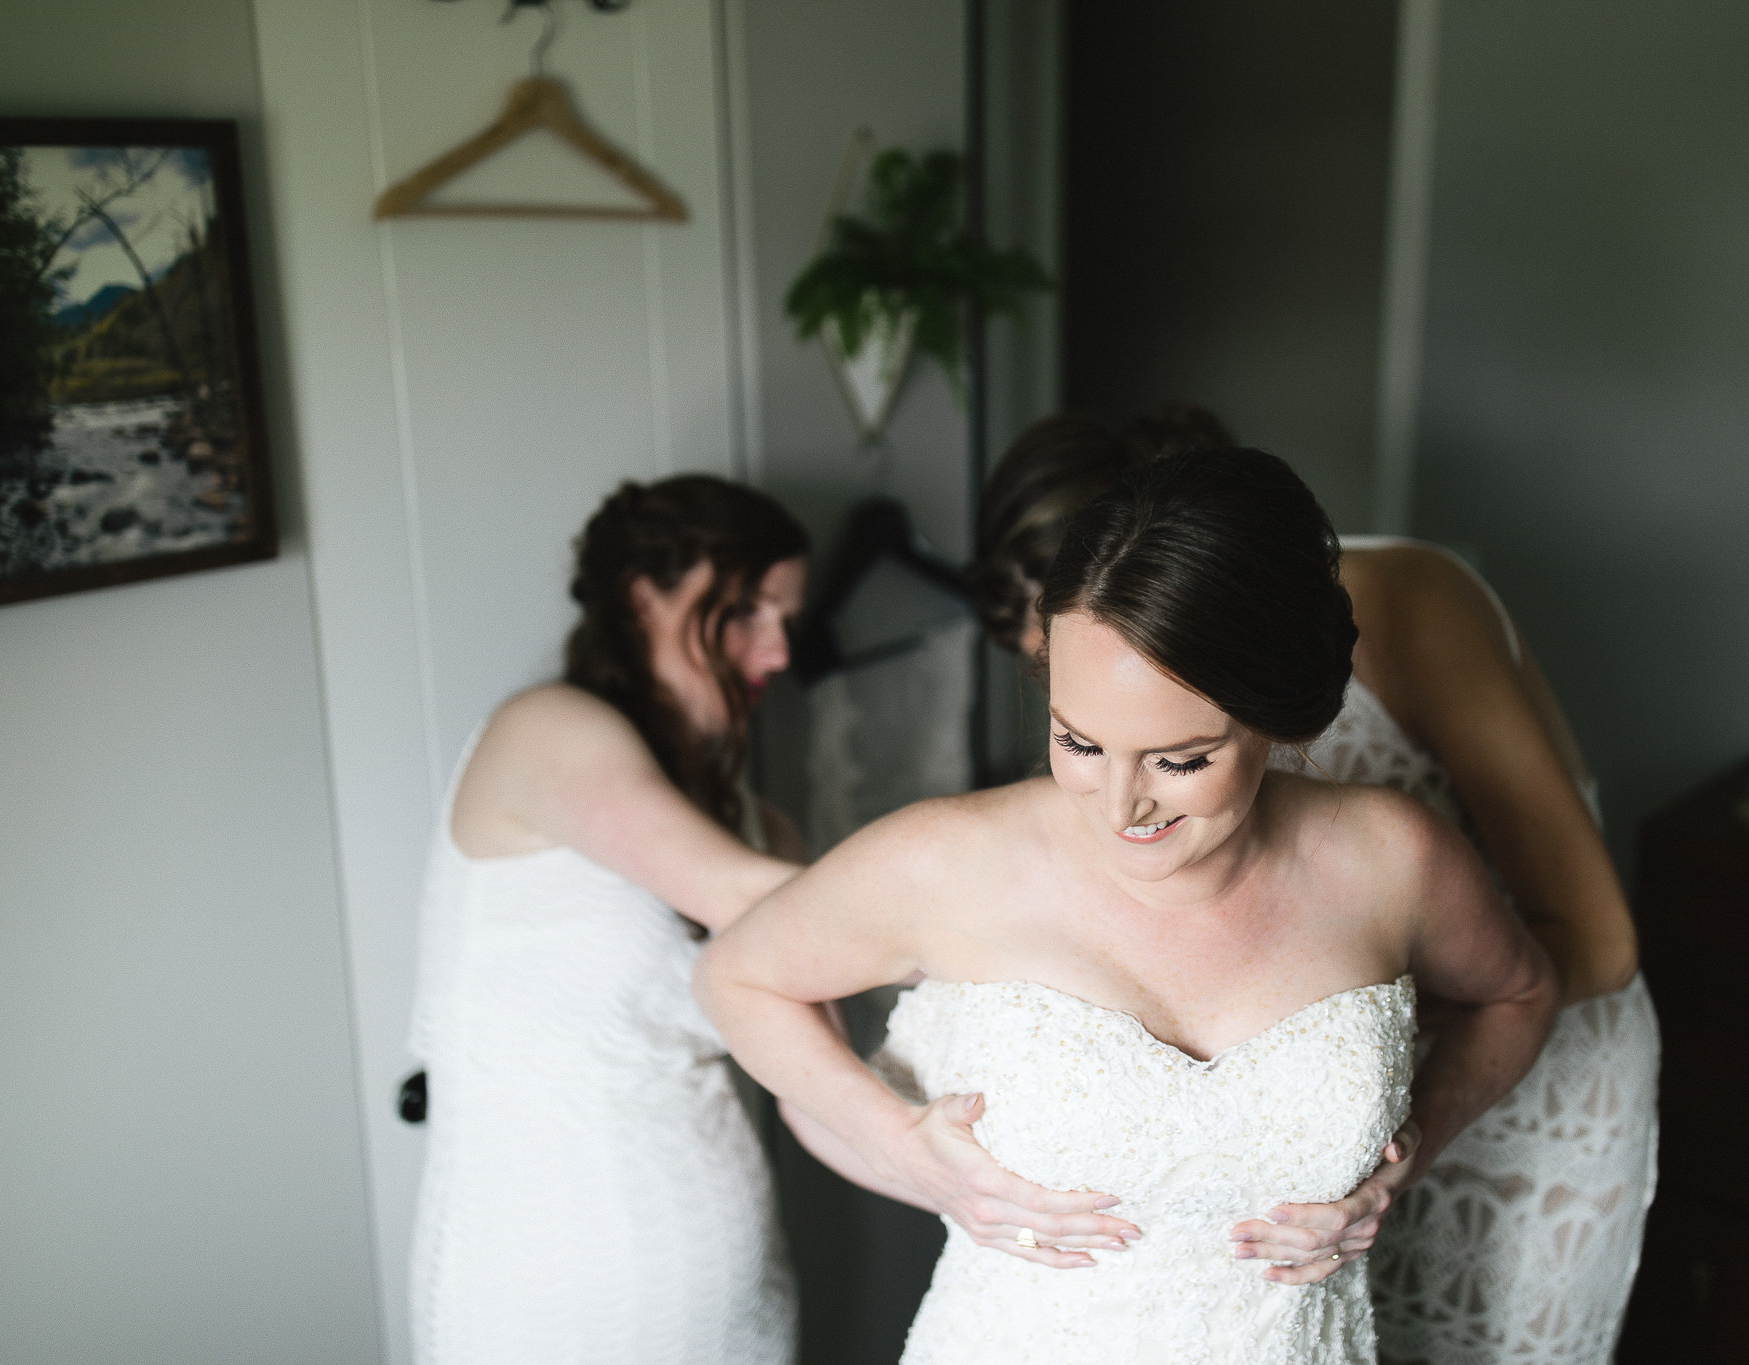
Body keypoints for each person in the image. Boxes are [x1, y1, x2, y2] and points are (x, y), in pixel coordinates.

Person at [696, 450, 1559, 1364]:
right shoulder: (949, 860)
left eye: (1179, 759)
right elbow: (735, 974)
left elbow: (1521, 993)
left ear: (1276, 715)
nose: (1119, 806)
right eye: (1079, 740)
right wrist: (906, 1146)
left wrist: (1406, 1152)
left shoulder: (1395, 859)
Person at [969, 406, 1662, 1364]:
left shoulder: (1409, 604)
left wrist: (1331, 1049)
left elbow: (1594, 939)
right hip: (1318, 1129)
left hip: (1514, 1077)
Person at [407, 474, 809, 1365]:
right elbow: (778, 905)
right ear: (643, 598)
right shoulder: (542, 731)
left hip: (738, 1311)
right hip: (545, 1302)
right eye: (746, 609)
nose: (777, 651)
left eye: (787, 618)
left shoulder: (754, 819)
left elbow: (813, 1063)